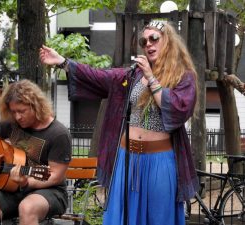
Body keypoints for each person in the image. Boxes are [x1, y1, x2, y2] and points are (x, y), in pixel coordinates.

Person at [40, 20, 199, 225]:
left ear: (168, 41)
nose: (148, 44)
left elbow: (178, 109)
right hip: (127, 159)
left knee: (159, 217)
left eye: (154, 39)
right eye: (144, 41)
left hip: (159, 161)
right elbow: (98, 76)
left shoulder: (183, 77)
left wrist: (152, 79)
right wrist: (64, 62)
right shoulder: (133, 74)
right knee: (124, 217)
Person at [0, 79, 72, 225]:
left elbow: (55, 176)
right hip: (13, 187)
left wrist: (26, 182)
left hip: (50, 191)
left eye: (22, 111)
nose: (17, 116)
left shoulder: (58, 134)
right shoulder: (13, 124)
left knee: (27, 207)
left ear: (36, 106)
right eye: (13, 111)